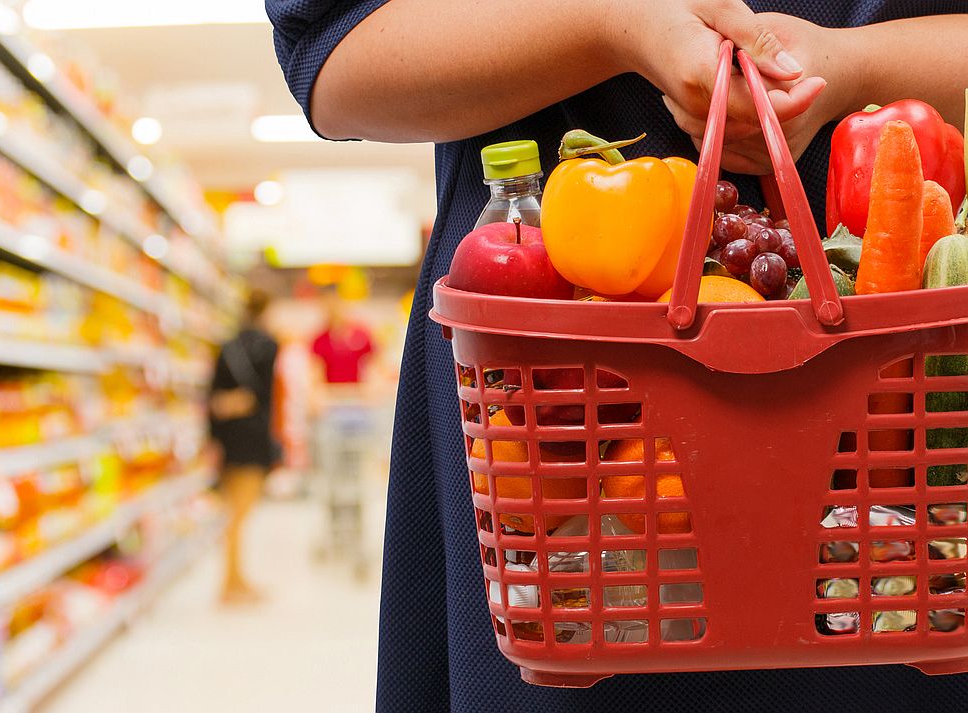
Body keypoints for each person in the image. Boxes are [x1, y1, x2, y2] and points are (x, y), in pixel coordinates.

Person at [267, 1, 968, 710]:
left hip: (914, 331)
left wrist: (854, 68)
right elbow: (328, 53)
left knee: (914, 617)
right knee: (577, 610)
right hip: (552, 359)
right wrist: (612, 25)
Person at [209, 289, 279, 605]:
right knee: (239, 515)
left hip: (228, 438)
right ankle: (231, 584)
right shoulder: (270, 346)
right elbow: (268, 398)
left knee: (233, 513)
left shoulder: (226, 347)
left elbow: (212, 399)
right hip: (253, 439)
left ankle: (235, 579)